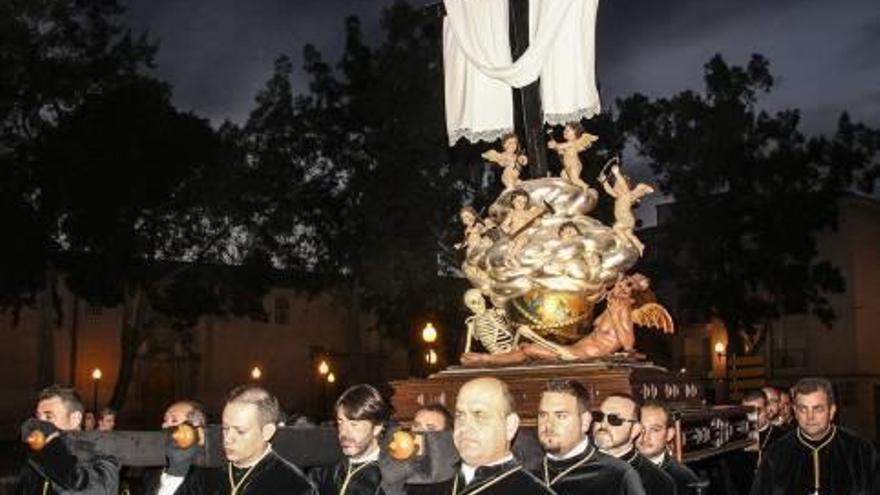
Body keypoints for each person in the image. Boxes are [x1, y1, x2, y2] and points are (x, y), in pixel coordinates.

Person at [750, 377, 879, 495]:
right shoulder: (776, 453)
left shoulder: (861, 451)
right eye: (803, 409)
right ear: (795, 411)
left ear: (832, 411)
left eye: (818, 409)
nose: (810, 417)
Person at [426, 377, 554, 494]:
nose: (464, 426)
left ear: (510, 426)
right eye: (460, 416)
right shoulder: (428, 484)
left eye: (479, 415)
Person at [194, 385, 317, 494]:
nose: (227, 439)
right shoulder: (205, 476)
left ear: (267, 432)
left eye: (240, 431)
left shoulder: (295, 486)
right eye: (225, 428)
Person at [536, 379, 644, 494]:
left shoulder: (619, 476)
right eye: (543, 415)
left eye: (561, 416)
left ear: (585, 422)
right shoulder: (528, 473)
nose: (548, 425)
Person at [16, 385, 120, 494]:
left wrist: (53, 450)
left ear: (75, 419)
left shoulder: (103, 459)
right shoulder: (37, 459)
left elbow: (90, 489)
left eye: (49, 417)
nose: (40, 425)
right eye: (38, 418)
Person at [310, 384, 390, 495]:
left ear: (376, 428)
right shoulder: (324, 468)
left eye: (354, 424)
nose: (344, 433)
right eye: (340, 422)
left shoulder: (388, 477)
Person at [592, 393, 676, 495]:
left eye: (614, 419)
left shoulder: (657, 481)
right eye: (599, 416)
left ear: (635, 430)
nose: (602, 424)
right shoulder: (574, 459)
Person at [136, 400, 208, 495]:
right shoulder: (152, 470)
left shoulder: (207, 479)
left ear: (197, 432)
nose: (164, 426)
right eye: (165, 420)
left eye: (174, 420)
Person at [638, 401, 701, 494]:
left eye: (655, 430)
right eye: (641, 429)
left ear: (669, 434)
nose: (645, 437)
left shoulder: (684, 480)